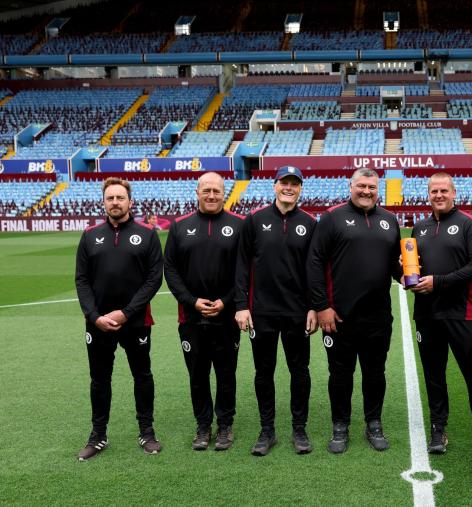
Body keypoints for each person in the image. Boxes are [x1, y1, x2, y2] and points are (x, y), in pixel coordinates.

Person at [307, 168, 401, 453]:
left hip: (378, 317)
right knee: (340, 375)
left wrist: (412, 277)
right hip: (339, 318)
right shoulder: (333, 218)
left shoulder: (390, 220)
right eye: (361, 186)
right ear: (351, 186)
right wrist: (322, 306)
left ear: (378, 189)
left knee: (376, 373)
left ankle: (373, 423)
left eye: (372, 187)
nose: (366, 191)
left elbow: (395, 264)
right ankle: (340, 426)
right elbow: (314, 263)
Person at [410, 173, 472, 454]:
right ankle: (438, 429)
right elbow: (413, 271)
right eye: (433, 191)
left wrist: (438, 282)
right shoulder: (420, 228)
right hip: (427, 316)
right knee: (434, 376)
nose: (438, 195)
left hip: (463, 314)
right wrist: (404, 268)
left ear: (453, 193)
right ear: (428, 194)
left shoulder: (468, 224)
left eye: (443, 190)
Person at [74, 177, 164, 461]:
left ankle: (146, 432)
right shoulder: (90, 236)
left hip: (135, 322)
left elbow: (153, 280)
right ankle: (98, 435)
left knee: (142, 376)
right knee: (99, 379)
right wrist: (94, 316)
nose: (115, 202)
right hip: (98, 324)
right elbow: (81, 280)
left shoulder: (147, 234)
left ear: (130, 201)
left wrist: (126, 313)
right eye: (110, 198)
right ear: (104, 202)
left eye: (120, 198)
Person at [234, 166, 318, 456]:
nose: (289, 188)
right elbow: (242, 266)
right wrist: (242, 306)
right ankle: (267, 430)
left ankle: (299, 429)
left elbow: (313, 269)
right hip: (262, 312)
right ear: (275, 185)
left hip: (297, 312)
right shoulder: (255, 220)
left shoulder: (309, 222)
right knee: (264, 372)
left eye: (295, 184)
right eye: (285, 182)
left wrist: (313, 307)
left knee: (300, 371)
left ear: (300, 189)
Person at [164, 172, 243, 451]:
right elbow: (170, 270)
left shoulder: (239, 225)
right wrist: (191, 301)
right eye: (206, 190)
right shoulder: (179, 226)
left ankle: (225, 425)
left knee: (225, 373)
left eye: (217, 191)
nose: (211, 195)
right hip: (191, 316)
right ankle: (202, 425)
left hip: (227, 315)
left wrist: (226, 300)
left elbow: (245, 271)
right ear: (197, 192)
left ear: (225, 193)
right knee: (197, 374)